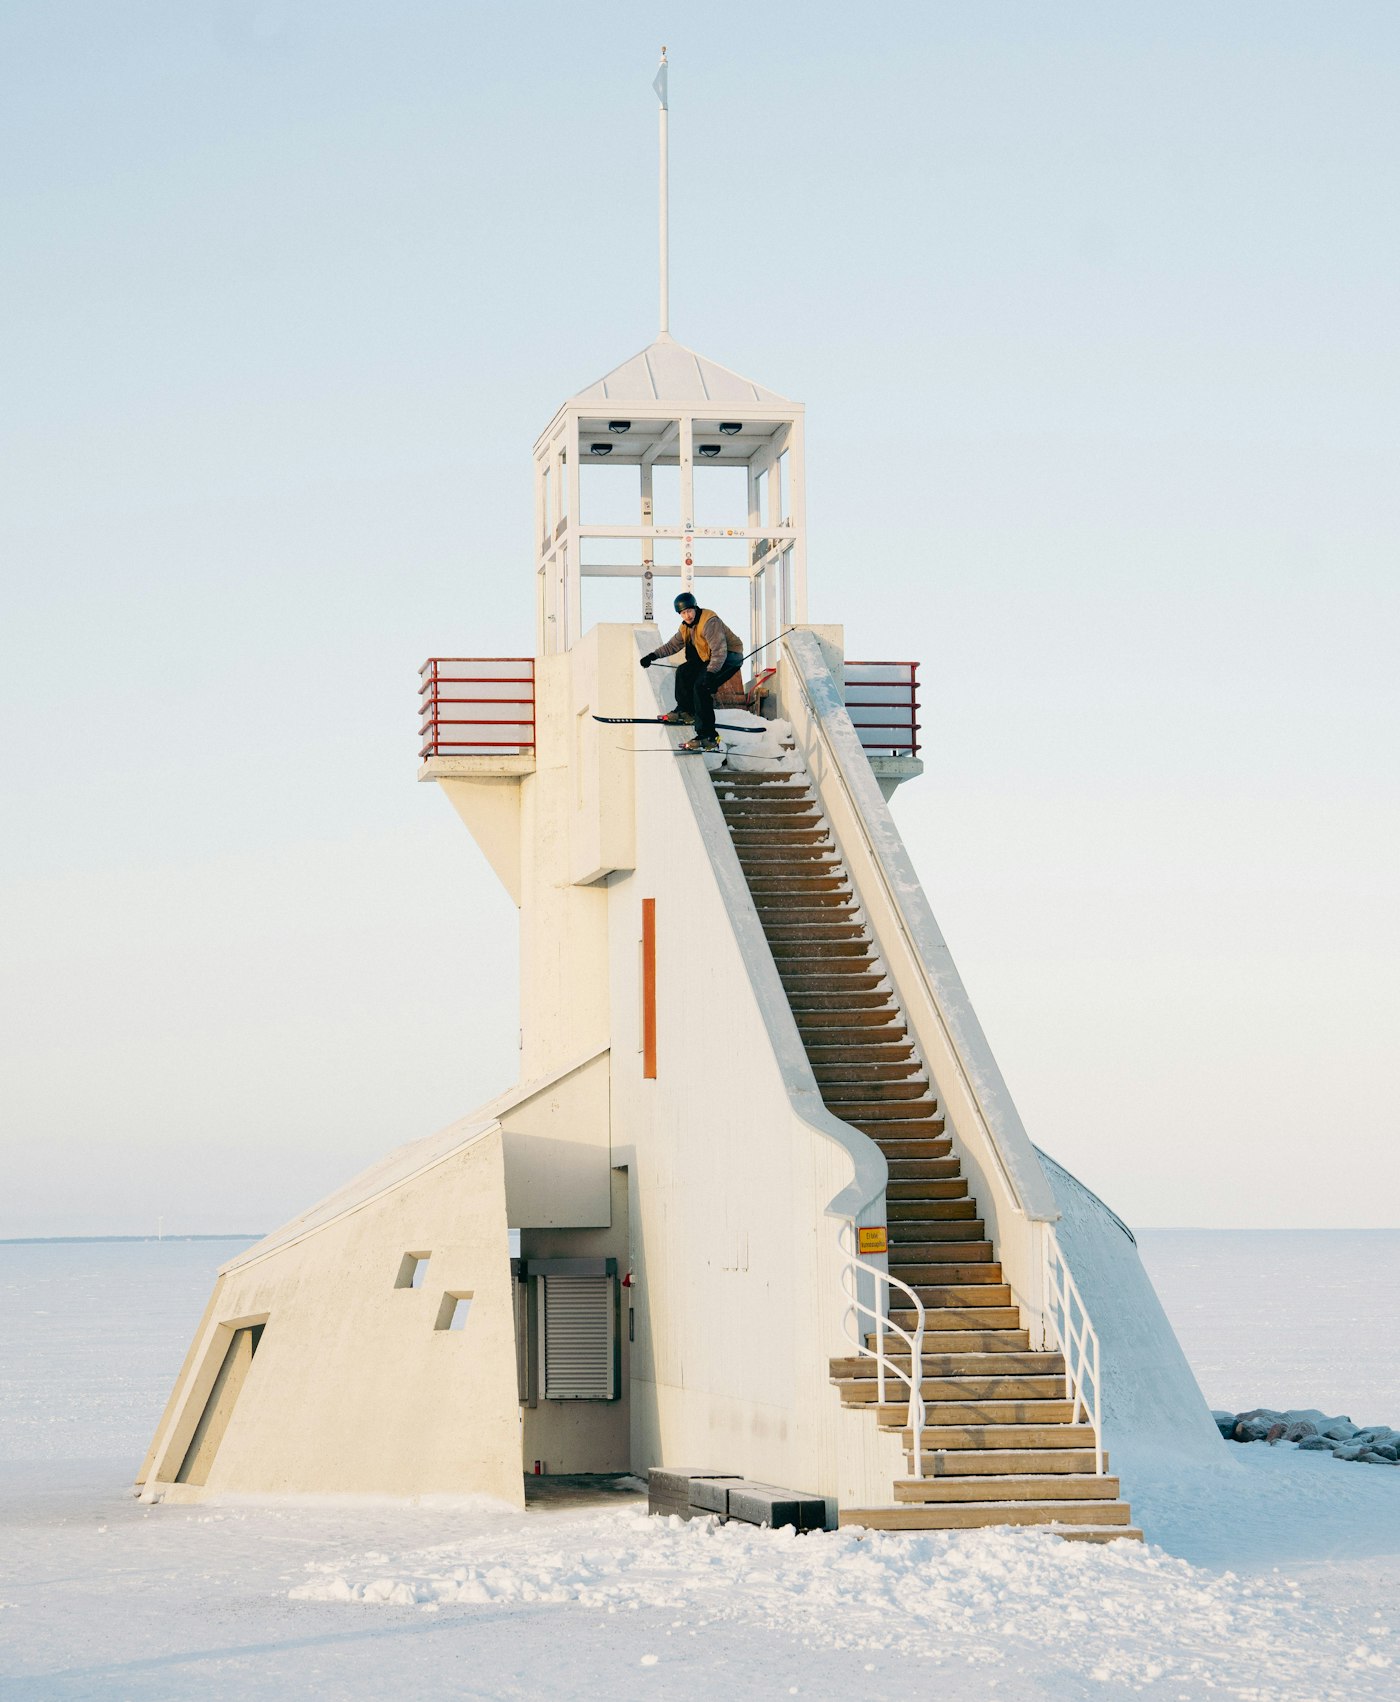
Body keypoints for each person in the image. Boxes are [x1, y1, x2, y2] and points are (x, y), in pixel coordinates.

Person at [640, 593, 745, 751]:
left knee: (701, 686)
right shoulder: (685, 628)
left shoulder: (710, 622)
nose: (687, 615)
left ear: (695, 608)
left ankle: (708, 735)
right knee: (683, 671)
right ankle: (686, 711)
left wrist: (710, 674)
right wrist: (652, 656)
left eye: (689, 611)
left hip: (730, 657)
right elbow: (672, 646)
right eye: (683, 613)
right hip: (709, 658)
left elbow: (719, 650)